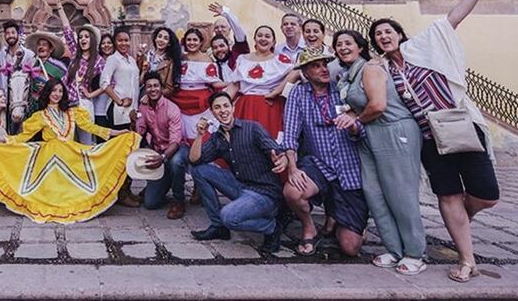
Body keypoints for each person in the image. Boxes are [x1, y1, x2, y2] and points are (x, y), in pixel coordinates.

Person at [371, 0, 501, 283]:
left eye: (388, 31)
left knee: (487, 196)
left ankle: (463, 216)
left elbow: (452, 19)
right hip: (429, 138)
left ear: (399, 34)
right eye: (378, 34)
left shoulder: (422, 46)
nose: (384, 36)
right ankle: (467, 259)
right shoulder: (383, 69)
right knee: (448, 195)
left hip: (459, 127)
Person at [0, 78, 141, 223]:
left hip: (71, 155)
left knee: (82, 182)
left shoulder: (72, 112)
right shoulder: (40, 116)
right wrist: (2, 139)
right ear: (48, 93)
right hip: (48, 159)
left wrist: (116, 133)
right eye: (54, 91)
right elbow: (23, 137)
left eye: (60, 91)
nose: (57, 94)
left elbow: (91, 128)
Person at [333, 30, 426, 275]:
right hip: (370, 135)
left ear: (360, 47)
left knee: (400, 193)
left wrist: (356, 119)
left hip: (393, 130)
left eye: (348, 43)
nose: (343, 47)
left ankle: (415, 252)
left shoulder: (370, 68)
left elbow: (378, 105)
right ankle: (394, 249)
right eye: (338, 44)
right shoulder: (347, 75)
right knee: (374, 193)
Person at [280, 48, 368, 258]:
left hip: (349, 171)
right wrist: (293, 168)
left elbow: (363, 128)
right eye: (316, 66)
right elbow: (290, 134)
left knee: (350, 248)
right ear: (305, 72)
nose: (323, 69)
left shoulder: (342, 89)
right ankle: (309, 227)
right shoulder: (298, 93)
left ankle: (336, 219)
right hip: (319, 164)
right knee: (293, 191)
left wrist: (354, 127)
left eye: (324, 64)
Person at [188, 91, 287, 256]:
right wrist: (199, 135)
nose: (223, 110)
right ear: (212, 112)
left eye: (226, 106)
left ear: (233, 108)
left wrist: (281, 158)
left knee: (229, 216)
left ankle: (272, 227)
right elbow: (194, 160)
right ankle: (218, 227)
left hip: (264, 192)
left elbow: (274, 149)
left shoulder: (252, 128)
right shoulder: (217, 138)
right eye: (217, 108)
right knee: (199, 170)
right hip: (240, 186)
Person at [99, 27, 141, 207]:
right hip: (118, 111)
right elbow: (104, 82)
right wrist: (118, 100)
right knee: (120, 152)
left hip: (131, 111)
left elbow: (134, 84)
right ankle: (119, 192)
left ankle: (126, 189)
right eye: (120, 40)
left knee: (130, 150)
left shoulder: (131, 60)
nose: (124, 43)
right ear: (115, 42)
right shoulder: (113, 59)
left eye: (126, 40)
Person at [227, 25, 294, 138]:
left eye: (267, 36)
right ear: (255, 39)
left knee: (269, 140)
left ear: (273, 42)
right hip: (246, 106)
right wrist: (221, 103)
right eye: (260, 35)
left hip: (269, 106)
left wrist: (276, 91)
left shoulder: (281, 60)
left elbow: (295, 73)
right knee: (244, 139)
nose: (263, 38)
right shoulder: (242, 59)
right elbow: (234, 86)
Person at [136, 73, 187, 218]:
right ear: (145, 89)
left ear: (161, 88)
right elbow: (140, 132)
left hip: (176, 149)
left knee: (176, 162)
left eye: (156, 86)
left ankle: (179, 200)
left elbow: (175, 141)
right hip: (157, 149)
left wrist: (163, 157)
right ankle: (165, 182)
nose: (153, 89)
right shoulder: (143, 107)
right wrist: (134, 121)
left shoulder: (172, 108)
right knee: (150, 203)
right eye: (149, 86)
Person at [57, 4, 105, 144]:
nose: (83, 39)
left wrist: (91, 94)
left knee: (85, 143)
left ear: (92, 39)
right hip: (67, 105)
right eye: (80, 37)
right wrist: (59, 8)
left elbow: (109, 83)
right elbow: (67, 30)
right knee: (68, 143)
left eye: (86, 37)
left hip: (83, 106)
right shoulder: (74, 54)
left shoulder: (99, 61)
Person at [9, 30, 68, 125]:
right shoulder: (31, 64)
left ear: (51, 49)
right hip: (32, 110)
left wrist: (48, 89)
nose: (41, 47)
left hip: (50, 110)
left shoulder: (59, 67)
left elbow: (65, 88)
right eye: (39, 45)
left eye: (44, 45)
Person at [175, 27, 220, 137]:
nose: (192, 43)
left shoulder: (207, 59)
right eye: (189, 40)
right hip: (180, 98)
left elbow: (215, 83)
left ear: (200, 42)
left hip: (200, 99)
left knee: (200, 132)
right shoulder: (180, 58)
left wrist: (232, 83)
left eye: (195, 40)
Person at [138, 26, 183, 95]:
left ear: (169, 43)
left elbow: (169, 88)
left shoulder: (169, 62)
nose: (161, 40)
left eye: (165, 38)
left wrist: (153, 95)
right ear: (155, 38)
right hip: (141, 94)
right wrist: (144, 71)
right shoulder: (146, 56)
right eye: (159, 36)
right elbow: (138, 82)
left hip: (158, 97)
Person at [208, 2, 251, 66]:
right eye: (216, 28)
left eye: (223, 27)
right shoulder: (209, 51)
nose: (219, 30)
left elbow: (238, 29)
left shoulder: (237, 49)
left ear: (229, 28)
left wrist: (226, 12)